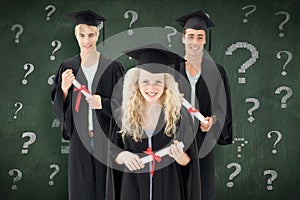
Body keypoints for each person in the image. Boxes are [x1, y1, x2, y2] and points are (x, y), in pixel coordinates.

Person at [107, 44, 201, 200]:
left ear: (166, 84)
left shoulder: (179, 116)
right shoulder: (122, 116)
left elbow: (189, 163)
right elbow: (113, 153)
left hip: (169, 190)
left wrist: (179, 156)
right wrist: (124, 156)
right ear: (136, 82)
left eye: (158, 81)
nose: (151, 87)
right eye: (145, 81)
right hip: (132, 188)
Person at [51, 10, 125, 200]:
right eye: (82, 35)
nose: (86, 40)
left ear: (97, 35)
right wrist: (65, 89)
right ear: (76, 36)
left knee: (107, 189)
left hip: (106, 140)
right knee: (81, 189)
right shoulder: (68, 67)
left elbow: (125, 107)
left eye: (91, 35)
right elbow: (59, 106)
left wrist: (104, 104)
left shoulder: (113, 68)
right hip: (80, 141)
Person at [175, 10, 233, 200]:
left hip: (202, 139)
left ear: (204, 40)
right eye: (190, 36)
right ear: (183, 38)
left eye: (200, 37)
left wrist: (212, 121)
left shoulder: (216, 71)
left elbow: (221, 108)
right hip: (174, 137)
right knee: (175, 186)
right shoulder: (171, 69)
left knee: (202, 189)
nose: (195, 41)